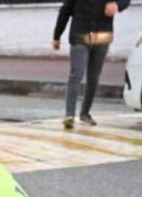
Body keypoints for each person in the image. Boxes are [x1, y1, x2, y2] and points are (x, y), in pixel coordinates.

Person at [53, 0, 131, 129]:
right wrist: (57, 36)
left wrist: (117, 5)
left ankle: (85, 113)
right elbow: (65, 11)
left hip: (102, 38)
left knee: (93, 78)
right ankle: (69, 115)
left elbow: (126, 1)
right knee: (76, 74)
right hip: (80, 37)